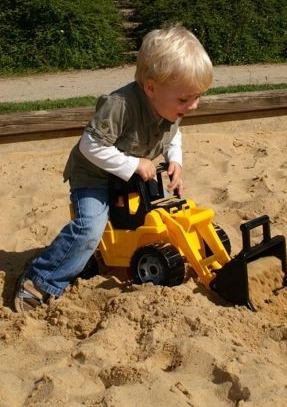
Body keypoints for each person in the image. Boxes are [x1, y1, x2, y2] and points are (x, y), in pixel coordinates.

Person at [14, 25, 213, 312]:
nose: (194, 106)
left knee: (159, 217)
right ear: (151, 88)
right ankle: (41, 279)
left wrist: (175, 160)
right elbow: (89, 146)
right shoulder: (120, 106)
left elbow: (173, 135)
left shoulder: (170, 107)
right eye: (185, 99)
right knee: (89, 228)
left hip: (131, 177)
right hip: (93, 176)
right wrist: (133, 163)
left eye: (198, 96)